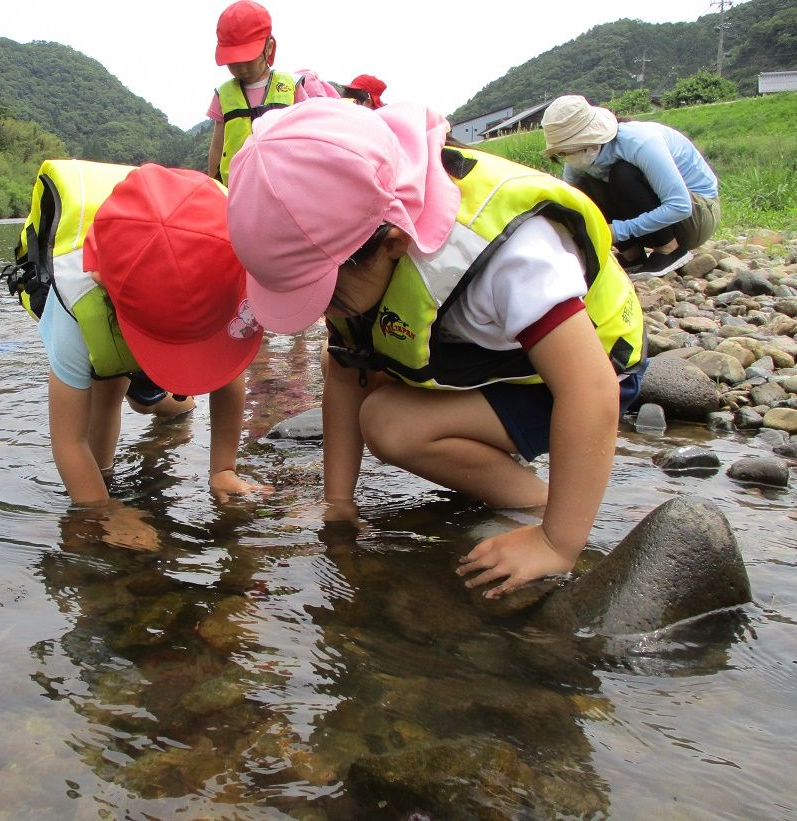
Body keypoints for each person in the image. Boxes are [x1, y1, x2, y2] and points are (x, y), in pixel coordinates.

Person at [225, 98, 647, 597]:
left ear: (392, 244)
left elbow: (589, 388)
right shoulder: (358, 236)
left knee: (388, 422)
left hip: (584, 375)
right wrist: (338, 504)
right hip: (490, 359)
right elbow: (343, 367)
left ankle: (535, 502)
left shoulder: (510, 254)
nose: (324, 313)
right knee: (350, 363)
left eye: (327, 294)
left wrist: (558, 542)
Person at [0, 160, 266, 546]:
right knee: (107, 390)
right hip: (105, 336)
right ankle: (107, 470)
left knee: (152, 402)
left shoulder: (219, 266)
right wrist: (101, 508)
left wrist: (222, 468)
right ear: (105, 285)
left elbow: (228, 375)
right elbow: (68, 441)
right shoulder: (74, 307)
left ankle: (177, 405)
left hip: (136, 324)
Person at [540, 94, 720, 279]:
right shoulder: (580, 155)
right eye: (562, 152)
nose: (567, 156)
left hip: (696, 217)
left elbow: (680, 206)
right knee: (584, 188)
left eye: (569, 149)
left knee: (623, 173)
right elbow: (569, 198)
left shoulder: (639, 142)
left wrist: (616, 231)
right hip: (655, 220)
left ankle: (668, 249)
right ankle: (632, 255)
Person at [206, 0, 338, 184]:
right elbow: (217, 146)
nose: (241, 68)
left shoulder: (290, 85)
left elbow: (309, 131)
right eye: (233, 62)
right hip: (237, 187)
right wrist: (212, 182)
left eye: (247, 59)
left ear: (268, 47)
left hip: (283, 184)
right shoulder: (223, 94)